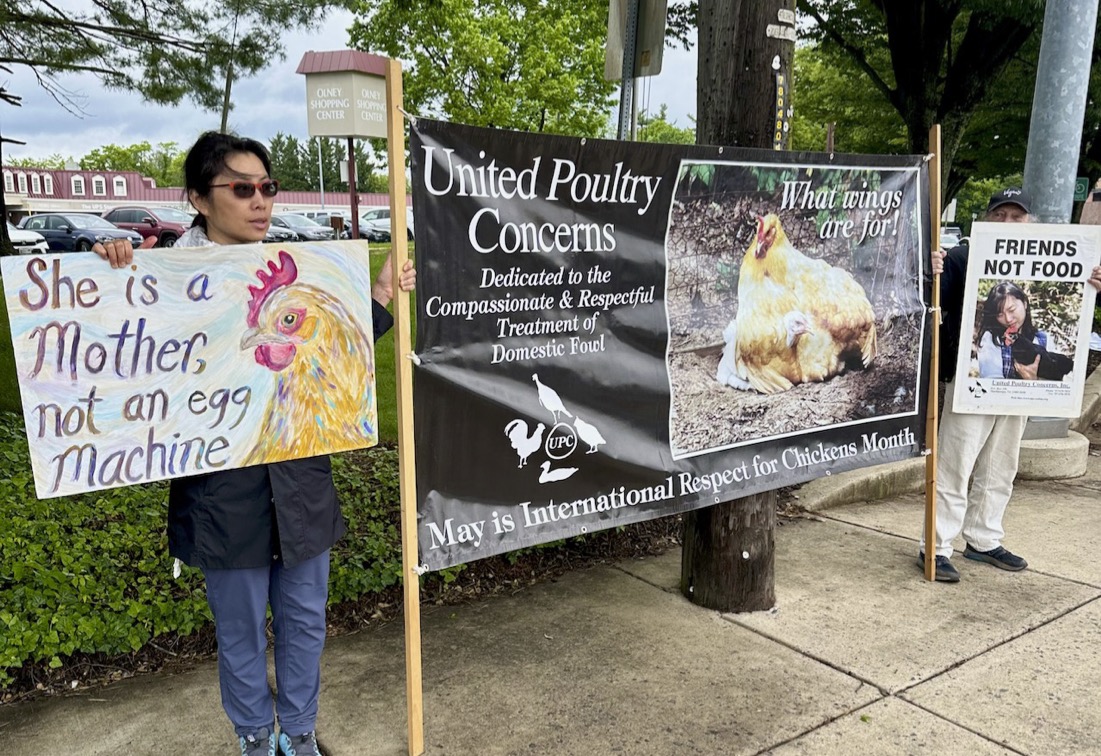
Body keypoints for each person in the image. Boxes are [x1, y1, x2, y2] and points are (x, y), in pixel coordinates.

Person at [94, 131, 415, 756]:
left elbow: (333, 350)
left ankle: (298, 733)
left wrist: (377, 295)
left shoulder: (301, 270)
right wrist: (107, 278)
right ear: (198, 198)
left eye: (267, 187)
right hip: (222, 493)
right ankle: (253, 737)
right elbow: (119, 360)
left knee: (304, 621)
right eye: (241, 188)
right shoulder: (160, 280)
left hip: (299, 484)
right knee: (239, 628)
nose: (260, 200)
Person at [919, 187, 1034, 583]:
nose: (1007, 223)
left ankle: (984, 539)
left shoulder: (1040, 261)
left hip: (1018, 388)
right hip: (971, 382)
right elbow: (931, 299)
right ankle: (934, 547)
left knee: (1001, 465)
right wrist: (931, 269)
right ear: (984, 219)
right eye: (999, 214)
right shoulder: (963, 257)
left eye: (1016, 216)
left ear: (1030, 223)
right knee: (956, 461)